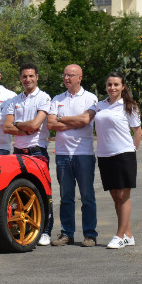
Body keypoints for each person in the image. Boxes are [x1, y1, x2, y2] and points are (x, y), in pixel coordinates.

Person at [69, 72, 142, 249]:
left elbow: (138, 132)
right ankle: (128, 234)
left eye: (116, 84)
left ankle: (119, 235)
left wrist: (132, 151)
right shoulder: (99, 105)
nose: (112, 88)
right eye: (109, 84)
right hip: (104, 155)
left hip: (124, 154)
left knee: (123, 196)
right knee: (116, 196)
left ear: (122, 86)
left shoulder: (129, 106)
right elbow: (84, 118)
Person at [47, 64, 98, 247]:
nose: (66, 78)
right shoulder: (57, 99)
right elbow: (51, 124)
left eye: (70, 75)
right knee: (66, 196)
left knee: (87, 196)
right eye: (65, 75)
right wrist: (73, 122)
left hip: (83, 153)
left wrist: (61, 119)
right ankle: (67, 233)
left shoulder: (90, 98)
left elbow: (85, 120)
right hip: (62, 154)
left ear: (80, 78)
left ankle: (90, 234)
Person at [3, 63, 53, 246]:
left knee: (43, 192)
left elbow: (36, 125)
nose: (28, 79)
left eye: (31, 76)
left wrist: (18, 124)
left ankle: (46, 230)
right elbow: (6, 127)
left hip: (37, 150)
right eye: (24, 76)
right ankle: (28, 229)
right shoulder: (14, 100)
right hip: (18, 151)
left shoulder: (44, 98)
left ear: (37, 77)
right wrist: (25, 127)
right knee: (21, 193)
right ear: (20, 79)